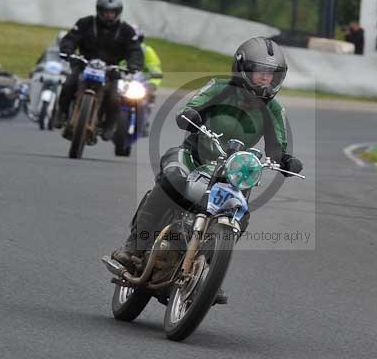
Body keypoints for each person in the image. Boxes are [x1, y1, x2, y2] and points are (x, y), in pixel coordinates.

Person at [111, 36, 303, 270]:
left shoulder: (273, 108)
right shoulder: (221, 88)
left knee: (239, 216)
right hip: (194, 158)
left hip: (234, 172)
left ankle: (207, 270)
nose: (265, 78)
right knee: (171, 181)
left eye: (271, 73)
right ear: (242, 69)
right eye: (260, 71)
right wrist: (190, 115)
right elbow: (188, 108)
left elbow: (277, 145)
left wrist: (285, 159)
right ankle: (134, 245)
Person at [56, 0, 144, 139]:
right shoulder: (85, 23)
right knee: (69, 84)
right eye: (105, 11)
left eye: (112, 12)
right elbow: (71, 38)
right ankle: (62, 114)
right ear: (99, 10)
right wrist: (67, 50)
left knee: (115, 98)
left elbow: (135, 49)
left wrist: (134, 63)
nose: (109, 15)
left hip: (111, 70)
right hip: (84, 65)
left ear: (118, 12)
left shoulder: (126, 31)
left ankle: (109, 125)